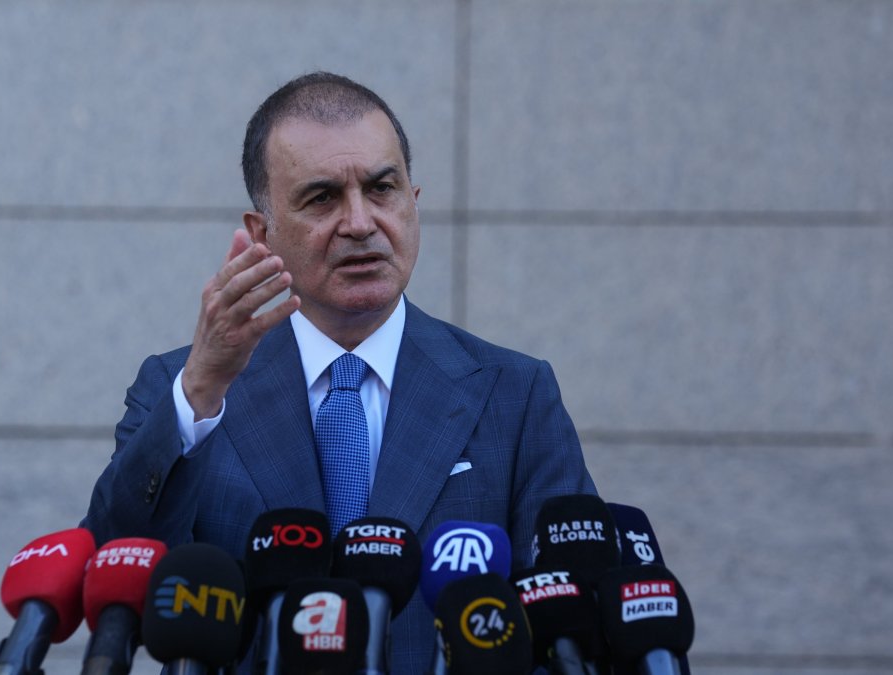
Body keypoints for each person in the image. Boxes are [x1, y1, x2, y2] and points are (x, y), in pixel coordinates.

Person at [81, 71, 596, 672]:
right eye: (322, 197)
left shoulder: (516, 393)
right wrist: (201, 390)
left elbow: (570, 623)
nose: (359, 222)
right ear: (260, 233)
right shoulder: (184, 390)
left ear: (414, 201)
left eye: (382, 189)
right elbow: (114, 569)